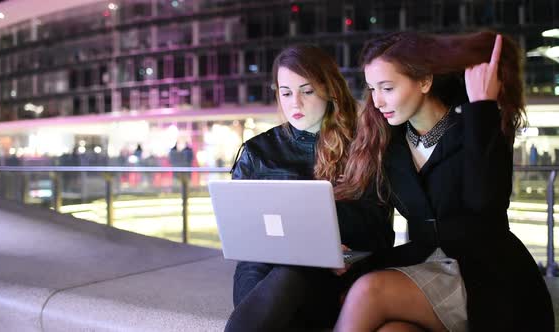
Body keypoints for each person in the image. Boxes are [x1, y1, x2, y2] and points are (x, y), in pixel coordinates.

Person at [333, 31, 554, 331]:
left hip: (488, 278)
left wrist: (482, 107)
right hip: (424, 266)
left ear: (424, 81)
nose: (377, 100)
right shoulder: (388, 146)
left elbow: (486, 202)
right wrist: (338, 248)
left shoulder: (478, 124)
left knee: (368, 292)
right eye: (372, 88)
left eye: (387, 87)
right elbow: (369, 212)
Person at [225, 45, 395, 331]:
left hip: (334, 272)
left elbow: (380, 232)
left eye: (307, 91)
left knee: (294, 272)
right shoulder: (257, 151)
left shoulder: (362, 147)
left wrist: (331, 249)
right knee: (276, 280)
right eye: (286, 92)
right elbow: (241, 232)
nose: (296, 104)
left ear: (329, 90)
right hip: (262, 267)